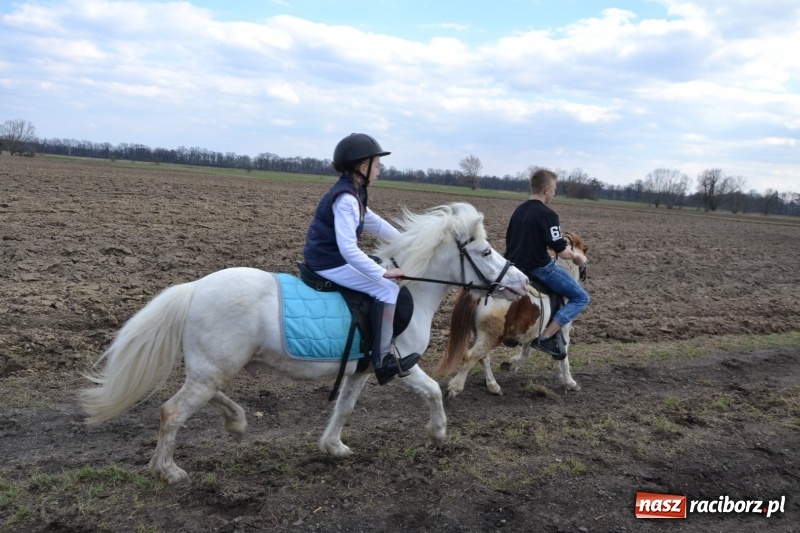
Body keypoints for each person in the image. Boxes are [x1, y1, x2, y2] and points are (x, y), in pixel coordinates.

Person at [303, 133, 420, 385]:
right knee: (388, 289)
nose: (379, 171)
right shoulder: (346, 199)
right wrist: (383, 273)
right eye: (377, 165)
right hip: (329, 262)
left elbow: (373, 223)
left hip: (331, 257)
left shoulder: (355, 192)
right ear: (363, 167)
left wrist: (407, 242)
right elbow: (348, 249)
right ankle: (383, 361)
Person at [504, 169, 590, 359]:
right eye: (554, 189)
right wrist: (577, 257)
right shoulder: (548, 215)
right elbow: (562, 251)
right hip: (539, 269)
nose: (555, 192)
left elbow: (516, 240)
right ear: (546, 189)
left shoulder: (519, 210)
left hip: (513, 267)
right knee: (581, 297)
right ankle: (545, 337)